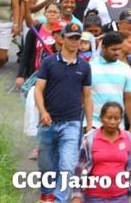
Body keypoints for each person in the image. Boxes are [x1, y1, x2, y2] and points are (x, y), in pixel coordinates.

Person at [33, 22, 93, 203]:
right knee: (46, 165)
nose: (74, 41)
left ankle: (58, 199)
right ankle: (47, 194)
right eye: (71, 38)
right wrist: (43, 111)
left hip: (72, 122)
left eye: (77, 38)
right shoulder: (49, 62)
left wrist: (89, 123)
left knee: (67, 165)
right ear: (62, 39)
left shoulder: (84, 66)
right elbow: (38, 90)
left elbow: (87, 96)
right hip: (48, 121)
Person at [71, 101, 131, 203]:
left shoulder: (128, 139)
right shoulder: (89, 139)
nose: (112, 122)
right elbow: (79, 168)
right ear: (101, 118)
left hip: (120, 197)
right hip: (93, 197)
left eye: (116, 118)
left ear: (121, 119)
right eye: (109, 118)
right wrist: (76, 195)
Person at [90, 32, 131, 134]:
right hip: (93, 125)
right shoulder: (90, 67)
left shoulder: (126, 69)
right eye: (113, 49)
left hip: (117, 126)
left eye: (119, 49)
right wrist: (88, 125)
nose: (117, 52)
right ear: (103, 48)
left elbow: (129, 99)